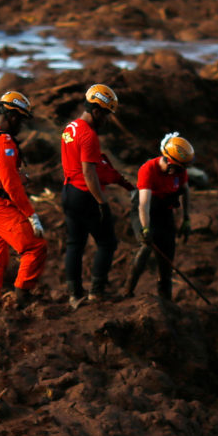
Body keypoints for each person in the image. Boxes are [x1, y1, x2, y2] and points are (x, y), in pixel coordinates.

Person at [61, 84, 134, 308]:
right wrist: (101, 202)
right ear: (97, 111)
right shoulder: (88, 135)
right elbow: (89, 172)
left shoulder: (70, 128)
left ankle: (74, 294)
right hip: (85, 194)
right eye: (106, 115)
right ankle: (96, 292)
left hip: (67, 192)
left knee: (75, 244)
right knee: (107, 242)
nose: (107, 120)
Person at [0, 91, 47, 306]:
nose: (20, 125)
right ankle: (22, 295)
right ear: (12, 116)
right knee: (35, 247)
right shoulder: (4, 143)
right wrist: (31, 215)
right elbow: (11, 186)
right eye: (20, 120)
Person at [125, 132, 194, 300]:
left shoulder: (179, 171)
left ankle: (165, 299)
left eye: (182, 169)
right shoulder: (148, 169)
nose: (180, 172)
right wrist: (146, 228)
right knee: (146, 246)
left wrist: (186, 218)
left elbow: (185, 192)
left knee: (167, 254)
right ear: (168, 161)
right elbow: (144, 204)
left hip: (165, 212)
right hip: (144, 212)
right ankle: (128, 291)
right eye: (178, 168)